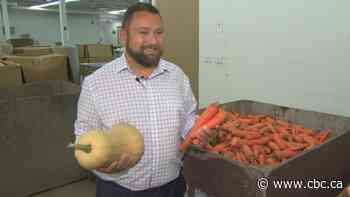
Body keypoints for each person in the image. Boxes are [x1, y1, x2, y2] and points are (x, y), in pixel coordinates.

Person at [74, 2, 213, 197]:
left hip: (172, 186)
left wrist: (197, 131)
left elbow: (188, 118)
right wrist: (102, 164)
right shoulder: (95, 83)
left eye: (159, 32)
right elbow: (83, 137)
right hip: (118, 190)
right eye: (143, 32)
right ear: (123, 36)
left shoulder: (177, 76)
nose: (153, 40)